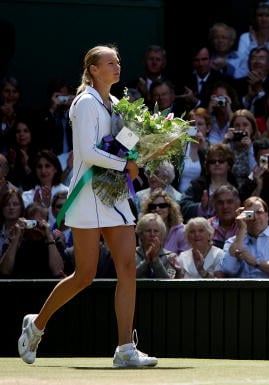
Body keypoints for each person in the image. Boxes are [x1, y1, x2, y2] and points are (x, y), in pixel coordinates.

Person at [16, 45, 157, 367]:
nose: (117, 66)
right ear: (93, 69)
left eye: (118, 61)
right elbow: (87, 152)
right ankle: (36, 325)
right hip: (89, 196)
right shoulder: (84, 103)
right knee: (84, 275)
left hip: (115, 195)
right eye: (110, 62)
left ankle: (125, 349)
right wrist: (126, 166)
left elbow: (123, 144)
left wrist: (141, 148)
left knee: (127, 269)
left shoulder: (118, 103)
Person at [220, 196, 269, 278]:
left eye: (259, 212)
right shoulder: (233, 242)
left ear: (267, 215)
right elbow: (228, 269)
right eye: (250, 214)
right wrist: (241, 230)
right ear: (243, 217)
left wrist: (255, 262)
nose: (255, 217)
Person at [0, 202, 64, 279]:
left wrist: (49, 237)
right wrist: (17, 237)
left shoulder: (55, 243)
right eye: (32, 222)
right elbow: (4, 271)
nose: (35, 227)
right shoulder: (14, 242)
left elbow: (57, 271)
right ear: (26, 222)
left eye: (38, 222)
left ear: (46, 222)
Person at [140, 188, 188, 255]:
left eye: (162, 206)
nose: (157, 209)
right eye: (153, 206)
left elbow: (185, 260)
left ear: (170, 208)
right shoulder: (145, 231)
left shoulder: (182, 232)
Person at [135, 213, 182, 279]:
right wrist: (146, 262)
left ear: (162, 235)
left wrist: (155, 260)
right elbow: (128, 278)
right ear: (141, 234)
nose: (152, 234)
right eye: (148, 231)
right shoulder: (132, 254)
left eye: (156, 231)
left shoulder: (170, 257)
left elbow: (169, 284)